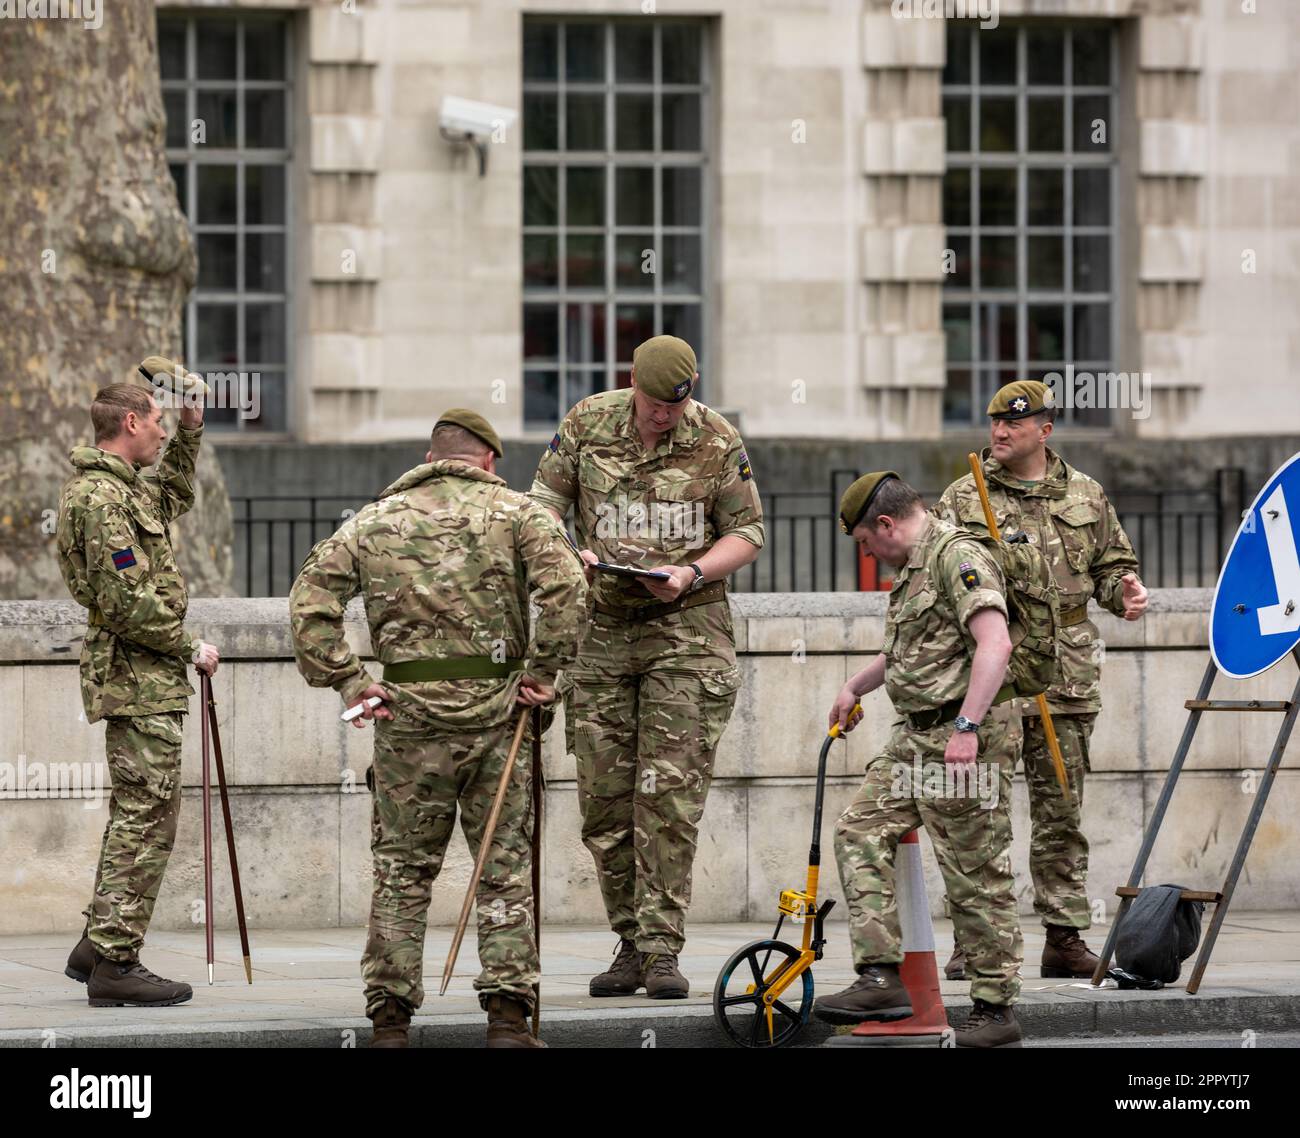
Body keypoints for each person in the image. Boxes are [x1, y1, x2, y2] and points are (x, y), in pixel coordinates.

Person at [289, 409, 584, 1048]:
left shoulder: (373, 520)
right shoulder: (519, 515)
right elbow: (568, 591)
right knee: (502, 866)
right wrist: (543, 671)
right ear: (488, 460)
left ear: (432, 457)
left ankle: (390, 1021)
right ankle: (508, 1017)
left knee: (402, 867)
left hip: (406, 717)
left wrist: (351, 681)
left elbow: (309, 602)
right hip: (499, 714)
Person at [528, 335, 764, 999]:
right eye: (657, 406)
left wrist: (690, 573)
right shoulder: (586, 422)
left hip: (685, 630)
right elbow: (543, 501)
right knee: (605, 802)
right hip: (601, 628)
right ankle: (628, 943)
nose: (666, 418)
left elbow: (748, 533)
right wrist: (566, 554)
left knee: (667, 798)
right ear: (634, 384)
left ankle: (663, 950)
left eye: (677, 407)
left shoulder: (717, 439)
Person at [933, 380, 1146, 980]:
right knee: (981, 815)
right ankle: (976, 943)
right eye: (995, 422)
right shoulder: (962, 497)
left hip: (1066, 677)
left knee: (1061, 815)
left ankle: (1064, 935)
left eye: (1014, 425)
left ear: (1044, 430)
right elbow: (937, 579)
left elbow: (1112, 565)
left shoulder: (1086, 494)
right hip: (994, 681)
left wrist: (1125, 593)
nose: (999, 433)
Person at [815, 471, 1025, 1047]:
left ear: (886, 524)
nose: (867, 553)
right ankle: (880, 976)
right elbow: (908, 650)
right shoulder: (912, 571)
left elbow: (996, 643)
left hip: (961, 737)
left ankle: (995, 1010)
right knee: (858, 829)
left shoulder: (957, 557)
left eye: (864, 542)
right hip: (915, 739)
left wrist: (967, 727)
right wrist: (855, 685)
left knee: (974, 874)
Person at [57, 357, 219, 1007]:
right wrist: (189, 645)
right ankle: (116, 962)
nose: (160, 431)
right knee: (147, 819)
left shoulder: (125, 487)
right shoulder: (100, 498)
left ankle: (98, 945)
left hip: (146, 678)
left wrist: (191, 429)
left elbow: (173, 494)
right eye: (155, 421)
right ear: (129, 421)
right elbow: (123, 603)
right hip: (135, 676)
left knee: (141, 812)